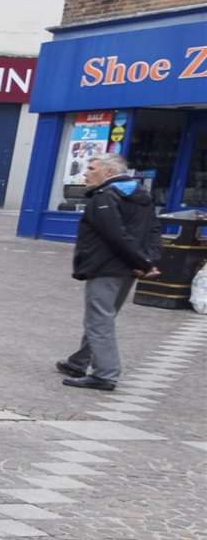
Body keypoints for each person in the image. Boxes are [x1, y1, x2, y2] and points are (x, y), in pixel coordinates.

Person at [58, 153, 157, 391]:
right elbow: (154, 230)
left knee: (98, 318)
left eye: (91, 168)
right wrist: (147, 261)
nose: (86, 174)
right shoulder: (141, 195)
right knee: (104, 316)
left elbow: (114, 234)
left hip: (106, 266)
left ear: (109, 173)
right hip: (129, 267)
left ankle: (105, 374)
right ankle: (79, 361)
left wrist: (143, 262)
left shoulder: (105, 196)